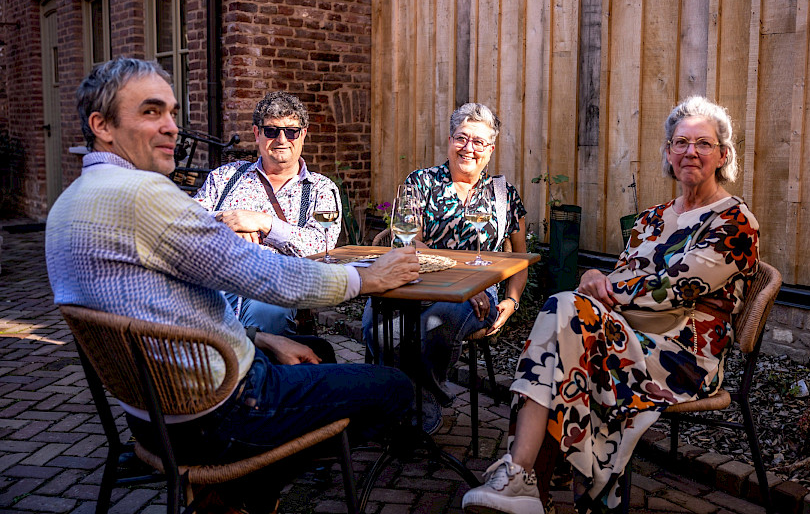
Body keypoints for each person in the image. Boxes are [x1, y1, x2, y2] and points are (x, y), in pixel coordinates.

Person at [45, 57, 419, 513]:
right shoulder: (145, 194)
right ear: (101, 126)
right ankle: (244, 488)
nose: (170, 128)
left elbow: (161, 312)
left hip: (149, 417)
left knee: (310, 345)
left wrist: (257, 337)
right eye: (149, 112)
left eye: (171, 112)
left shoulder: (69, 204)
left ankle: (233, 496)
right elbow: (268, 276)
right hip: (221, 411)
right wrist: (366, 278)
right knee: (395, 388)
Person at [462, 96, 760, 514]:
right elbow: (615, 279)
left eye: (703, 143)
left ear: (723, 155)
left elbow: (675, 287)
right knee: (565, 328)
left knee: (562, 320)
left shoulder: (735, 222)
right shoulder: (650, 219)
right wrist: (590, 279)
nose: (691, 151)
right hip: (624, 335)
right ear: (669, 154)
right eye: (680, 142)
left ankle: (523, 478)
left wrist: (598, 289)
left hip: (683, 355)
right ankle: (524, 481)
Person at [364, 102, 528, 432]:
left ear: (491, 149)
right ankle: (404, 398)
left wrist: (511, 301)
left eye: (478, 141)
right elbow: (409, 242)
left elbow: (520, 257)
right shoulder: (421, 182)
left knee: (434, 326)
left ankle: (422, 403)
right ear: (449, 140)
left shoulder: (503, 194)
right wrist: (459, 276)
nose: (468, 148)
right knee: (376, 326)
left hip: (479, 290)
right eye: (461, 138)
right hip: (415, 282)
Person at [194, 91, 341, 338]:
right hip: (212, 283)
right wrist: (229, 223)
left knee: (269, 316)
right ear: (257, 134)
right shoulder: (225, 177)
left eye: (291, 131)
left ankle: (259, 373)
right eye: (271, 131)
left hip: (273, 287)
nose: (282, 139)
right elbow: (184, 222)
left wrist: (264, 223)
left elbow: (320, 246)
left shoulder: (321, 189)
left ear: (303, 134)